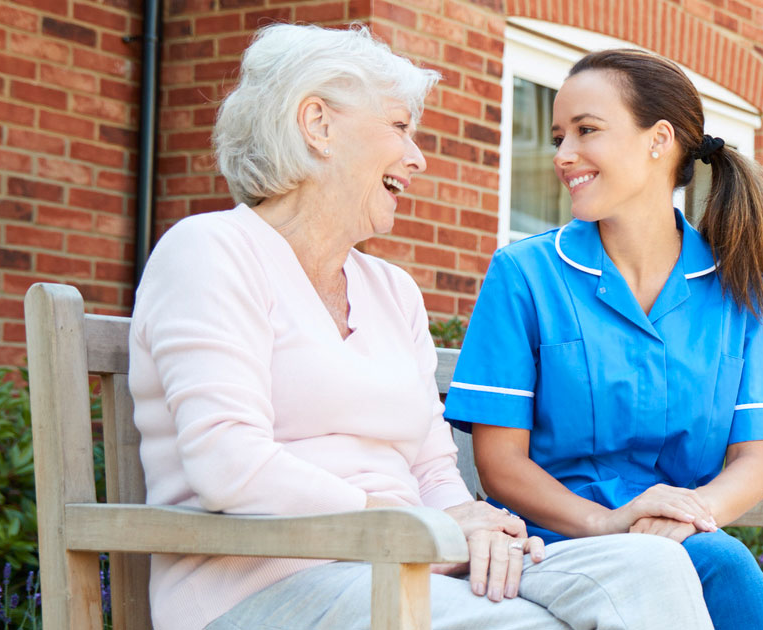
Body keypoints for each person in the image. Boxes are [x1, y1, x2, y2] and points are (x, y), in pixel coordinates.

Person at [128, 25, 713, 630]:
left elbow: (434, 470)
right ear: (318, 125)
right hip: (265, 585)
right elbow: (228, 462)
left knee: (652, 566)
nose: (417, 157)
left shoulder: (391, 290)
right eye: (399, 127)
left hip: (412, 564)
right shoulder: (211, 251)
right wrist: (418, 528)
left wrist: (476, 529)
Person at [443, 48, 763, 630]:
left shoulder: (738, 287)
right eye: (558, 137)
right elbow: (500, 464)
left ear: (659, 140)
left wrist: (686, 514)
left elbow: (753, 460)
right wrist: (612, 523)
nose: (562, 155)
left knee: (714, 561)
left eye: (586, 130)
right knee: (722, 565)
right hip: (548, 545)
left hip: (680, 542)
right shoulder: (524, 274)